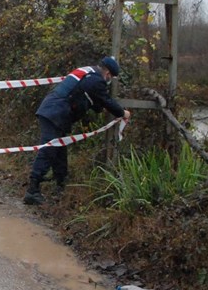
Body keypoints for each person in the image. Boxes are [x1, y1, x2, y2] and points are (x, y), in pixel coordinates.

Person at [24, 56, 131, 206]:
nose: (109, 79)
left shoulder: (88, 72)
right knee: (48, 150)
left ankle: (60, 184)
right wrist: (122, 113)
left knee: (59, 149)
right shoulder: (96, 80)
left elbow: (93, 101)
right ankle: (32, 190)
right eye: (110, 77)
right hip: (55, 113)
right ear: (107, 72)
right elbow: (105, 100)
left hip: (54, 111)